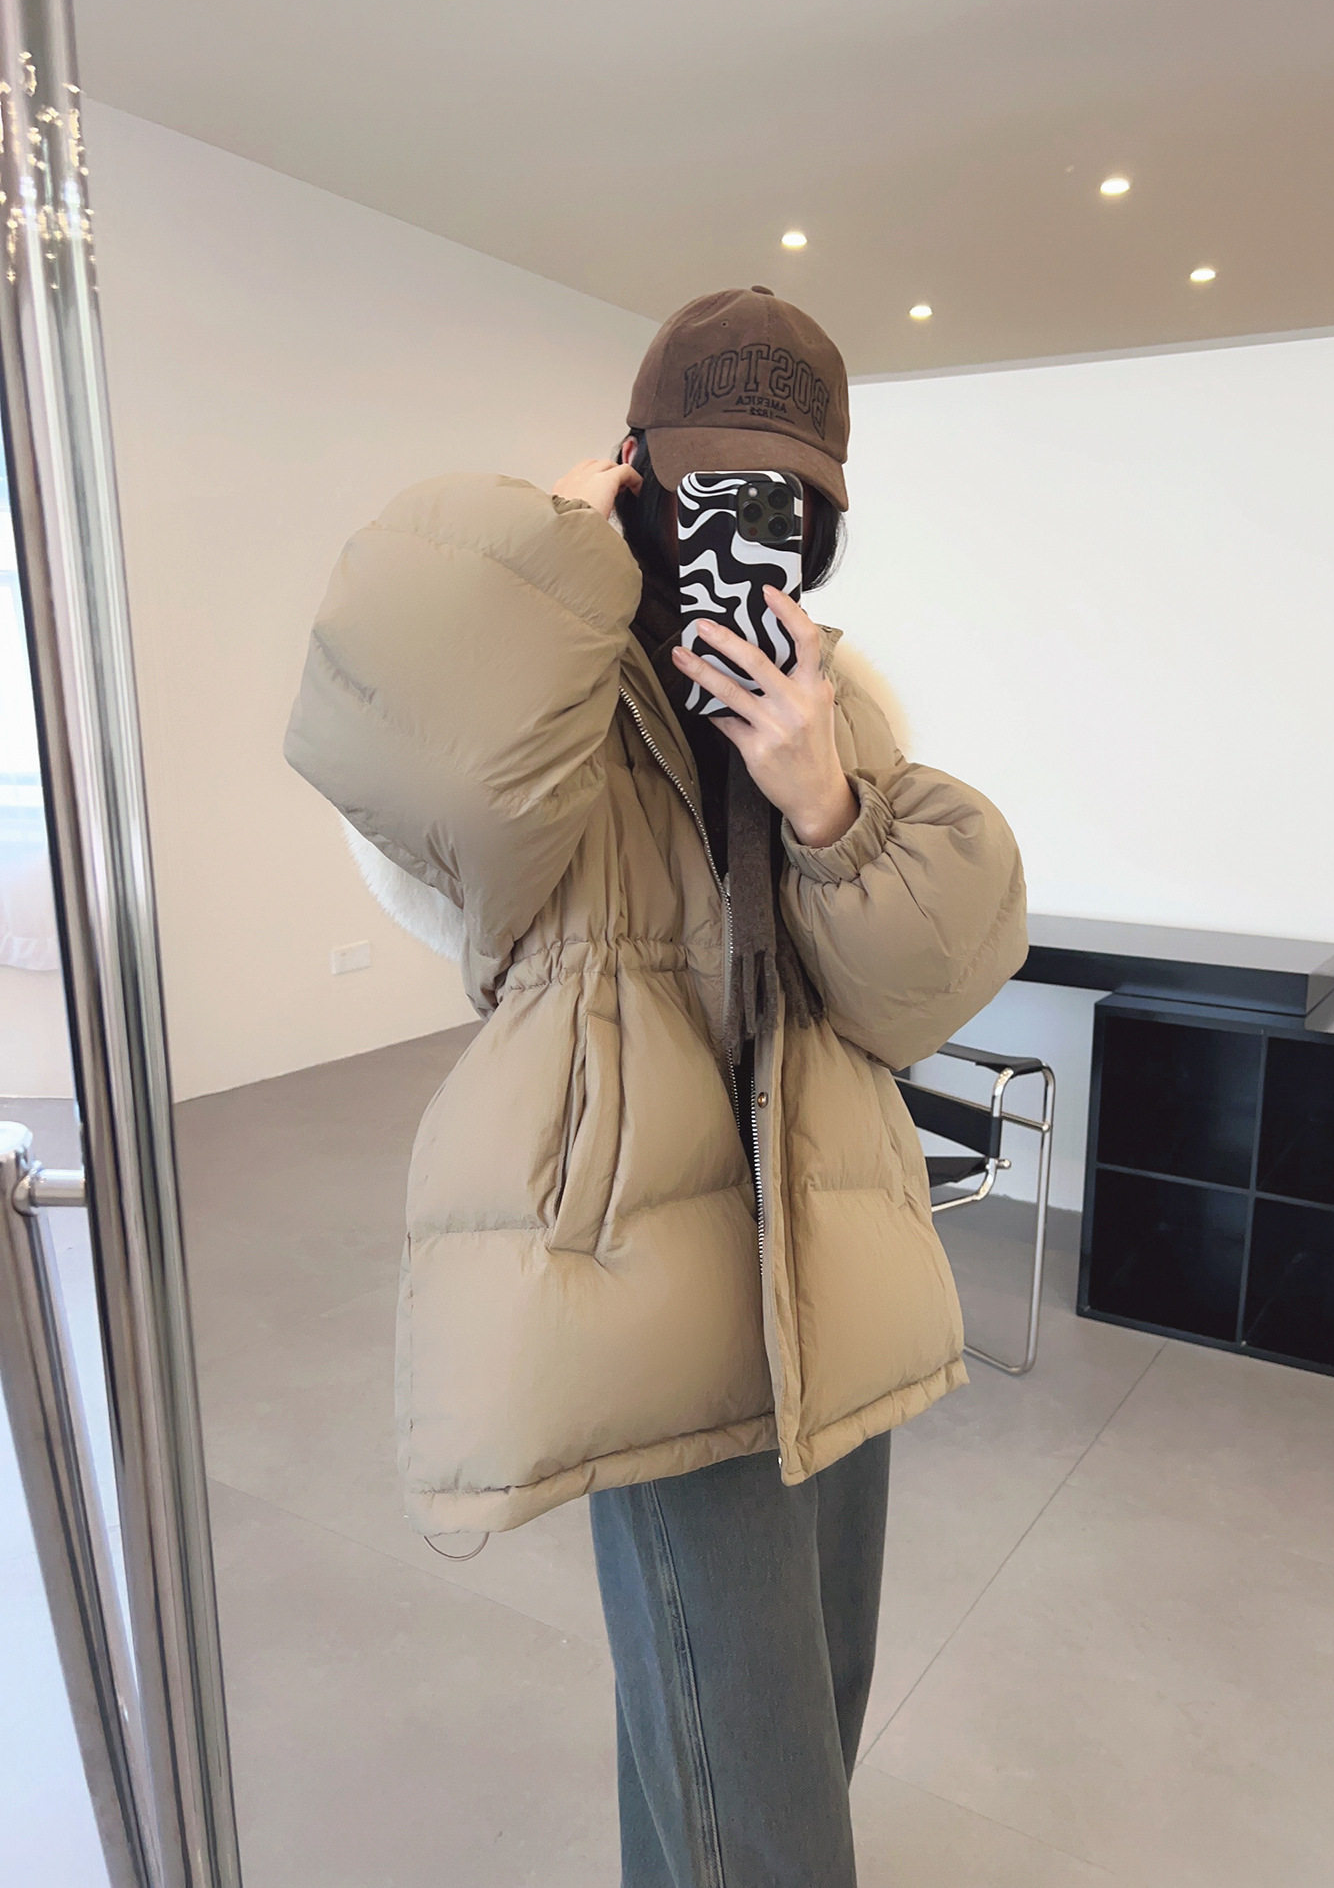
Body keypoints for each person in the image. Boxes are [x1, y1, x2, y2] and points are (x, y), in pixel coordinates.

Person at [282, 285, 1028, 1886]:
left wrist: (826, 805)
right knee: (751, 1780)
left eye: (782, 501)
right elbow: (399, 766)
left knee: (795, 1705)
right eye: (700, 484)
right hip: (648, 1256)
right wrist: (550, 553)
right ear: (635, 472)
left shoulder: (839, 702)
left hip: (831, 1243)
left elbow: (917, 991)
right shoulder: (536, 690)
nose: (736, 528)